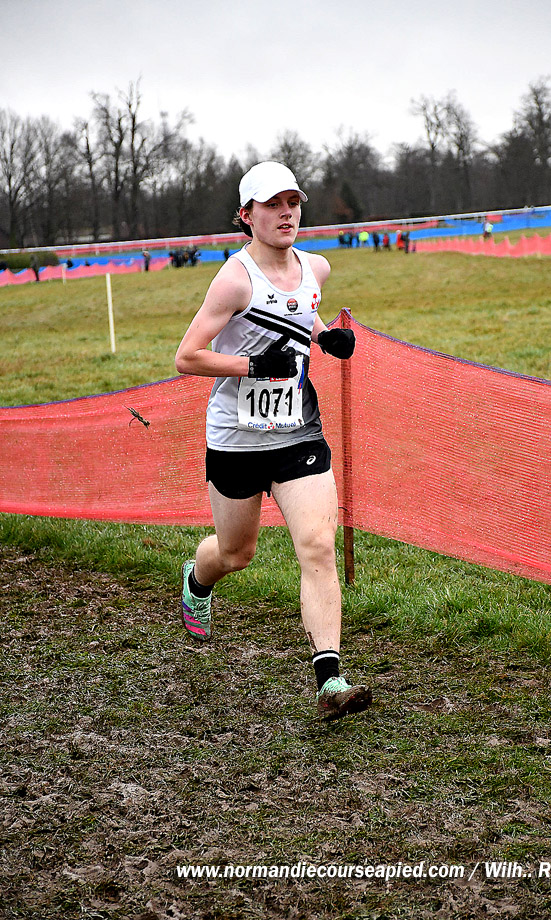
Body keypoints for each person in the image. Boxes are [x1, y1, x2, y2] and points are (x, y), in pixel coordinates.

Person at [174, 161, 372, 721]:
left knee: (317, 546)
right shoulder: (234, 280)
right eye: (272, 205)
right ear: (246, 215)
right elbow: (187, 357)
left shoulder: (316, 268)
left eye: (293, 203)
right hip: (236, 440)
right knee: (235, 554)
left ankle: (330, 680)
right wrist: (253, 364)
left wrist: (325, 338)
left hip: (298, 433)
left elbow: (299, 317)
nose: (286, 214)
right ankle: (197, 579)